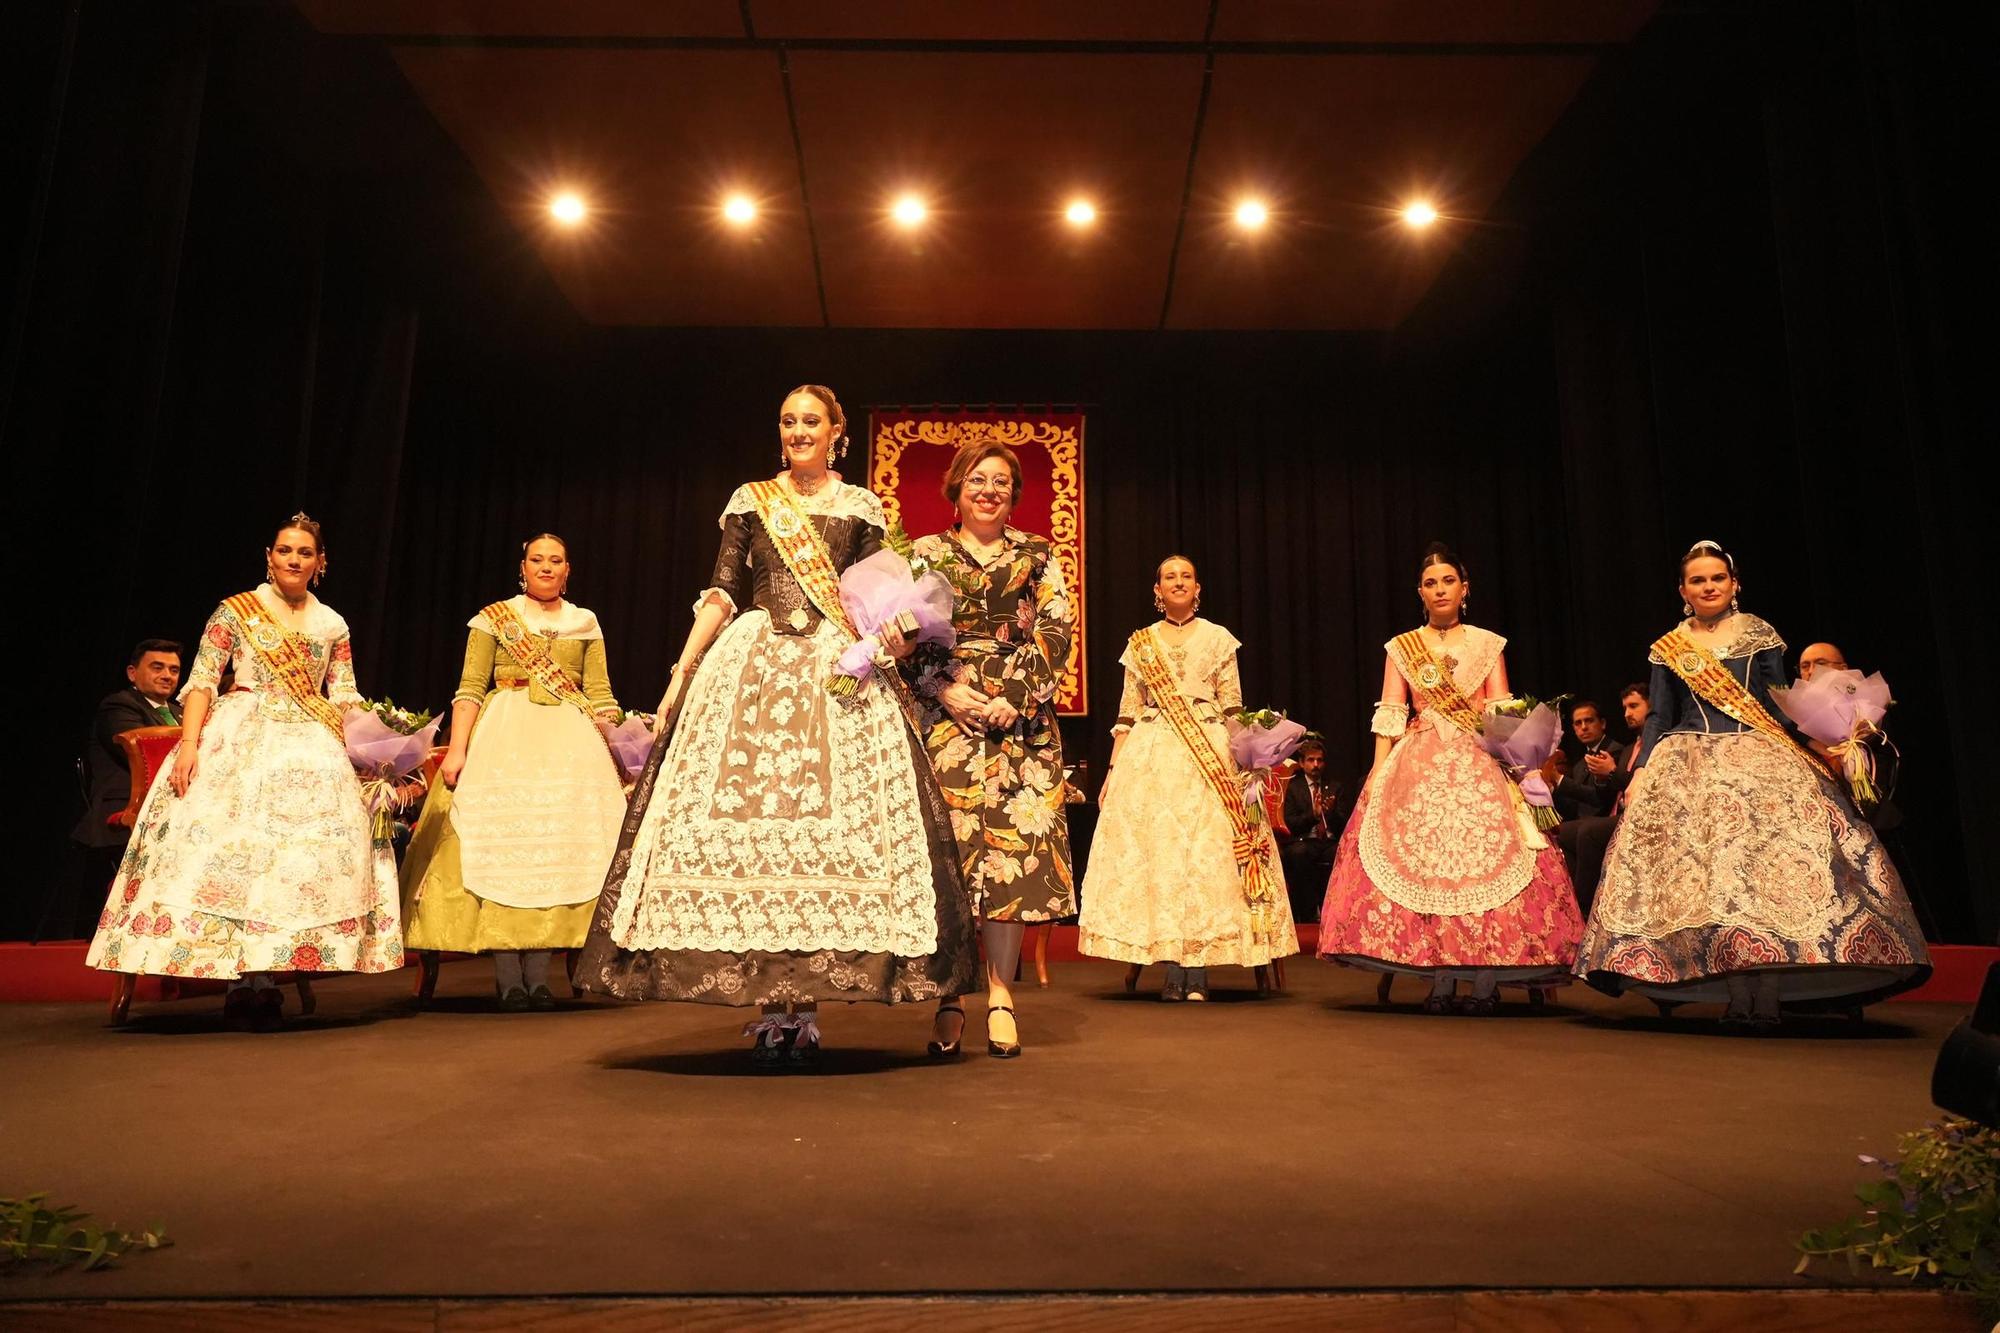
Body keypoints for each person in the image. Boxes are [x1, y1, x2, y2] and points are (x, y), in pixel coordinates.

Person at [572, 385, 978, 1067]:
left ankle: (808, 1004)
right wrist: (680, 673)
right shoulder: (752, 499)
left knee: (832, 830)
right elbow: (723, 592)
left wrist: (890, 642)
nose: (798, 431)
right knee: (761, 832)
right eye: (788, 421)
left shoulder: (859, 506)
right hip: (752, 667)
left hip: (835, 669)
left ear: (837, 431)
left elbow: (882, 594)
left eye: (811, 421)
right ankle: (772, 1008)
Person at [1575, 541, 1929, 1029]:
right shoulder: (1668, 647)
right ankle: (1735, 990)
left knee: (1765, 876)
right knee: (1713, 883)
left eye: (1717, 578)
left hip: (1759, 753)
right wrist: (1640, 772)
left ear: (1734, 584)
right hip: (1689, 761)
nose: (1709, 587)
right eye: (1698, 580)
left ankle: (1770, 991)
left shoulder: (1760, 634)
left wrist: (1822, 746)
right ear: (1683, 591)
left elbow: (1776, 704)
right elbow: (1659, 717)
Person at [87, 515, 403, 1029]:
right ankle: (239, 982)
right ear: (269, 557)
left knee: (297, 859)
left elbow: (344, 693)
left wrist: (379, 742)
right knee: (237, 851)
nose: (294, 559)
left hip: (310, 740)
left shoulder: (332, 623)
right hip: (240, 734)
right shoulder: (236, 611)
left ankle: (269, 975)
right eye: (285, 550)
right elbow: (202, 682)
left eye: (305, 552)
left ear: (320, 563)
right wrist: (189, 746)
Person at [1317, 542, 1584, 1014]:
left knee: (1485, 859)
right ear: (1420, 593)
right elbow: (1391, 713)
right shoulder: (1402, 646)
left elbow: (1500, 713)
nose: (1440, 590)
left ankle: (1485, 978)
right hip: (1417, 761)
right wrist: (1377, 773)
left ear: (1465, 589)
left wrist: (1519, 769)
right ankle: (1439, 975)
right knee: (1426, 867)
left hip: (1477, 759)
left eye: (1448, 581)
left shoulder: (1488, 643)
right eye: (1430, 583)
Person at [400, 534, 627, 1010]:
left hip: (569, 745)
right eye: (537, 560)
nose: (546, 567)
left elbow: (601, 693)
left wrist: (622, 745)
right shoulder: (494, 618)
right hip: (503, 738)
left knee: (553, 846)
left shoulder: (584, 622)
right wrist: (457, 751)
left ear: (568, 569)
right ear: (522, 567)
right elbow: (469, 688)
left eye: (555, 561)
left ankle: (539, 978)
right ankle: (508, 978)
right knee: (502, 844)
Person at [905, 440, 1076, 1057]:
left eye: (1001, 482)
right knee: (948, 859)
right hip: (944, 717)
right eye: (978, 479)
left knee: (1010, 861)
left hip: (1019, 722)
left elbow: (1058, 627)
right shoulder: (924, 554)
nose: (989, 491)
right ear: (956, 487)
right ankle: (950, 995)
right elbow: (901, 634)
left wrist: (1016, 697)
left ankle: (1001, 994)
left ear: (1014, 494)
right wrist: (943, 688)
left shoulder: (1038, 553)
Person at [1077, 555, 1298, 1000]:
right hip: (1151, 755)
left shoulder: (1218, 638)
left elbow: (1233, 707)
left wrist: (1248, 763)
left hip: (1209, 752)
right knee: (1160, 855)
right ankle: (1170, 962)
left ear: (1198, 588)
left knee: (1206, 855)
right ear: (1157, 591)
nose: (1178, 582)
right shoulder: (1140, 643)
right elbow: (1127, 713)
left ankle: (1198, 967)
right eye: (1169, 577)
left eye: (1186, 576)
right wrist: (1112, 771)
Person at [56, 640, 184, 940]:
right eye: (158, 667)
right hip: (127, 803)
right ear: (132, 673)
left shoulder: (181, 711)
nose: (167, 675)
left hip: (176, 803)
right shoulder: (119, 705)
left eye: (174, 670)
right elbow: (147, 750)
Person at [1555, 683, 1648, 912]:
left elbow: (1603, 798)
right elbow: (1595, 796)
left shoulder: (1619, 749)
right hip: (1616, 814)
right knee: (1561, 831)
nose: (1627, 714)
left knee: (1588, 831)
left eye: (1634, 706)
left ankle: (1584, 908)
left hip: (1637, 816)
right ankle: (1571, 903)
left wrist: (1611, 772)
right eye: (1625, 708)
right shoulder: (1626, 750)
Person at [1277, 738, 1347, 924]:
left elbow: (1344, 825)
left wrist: (1330, 813)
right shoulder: (1292, 787)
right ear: (1301, 763)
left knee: (1341, 852)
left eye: (1319, 760)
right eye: (1311, 760)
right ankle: (1307, 913)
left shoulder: (1335, 787)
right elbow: (1291, 824)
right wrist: (1313, 815)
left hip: (1328, 842)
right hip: (1304, 840)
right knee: (1298, 853)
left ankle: (1333, 913)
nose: (1316, 764)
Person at [1553, 698, 1628, 821]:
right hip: (1582, 823)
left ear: (1602, 723)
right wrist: (1550, 787)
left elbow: (1600, 799)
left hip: (1607, 822)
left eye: (1589, 721)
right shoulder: (1579, 765)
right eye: (1578, 723)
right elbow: (1574, 807)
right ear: (1573, 728)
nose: (1584, 727)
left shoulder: (1615, 752)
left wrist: (1559, 779)